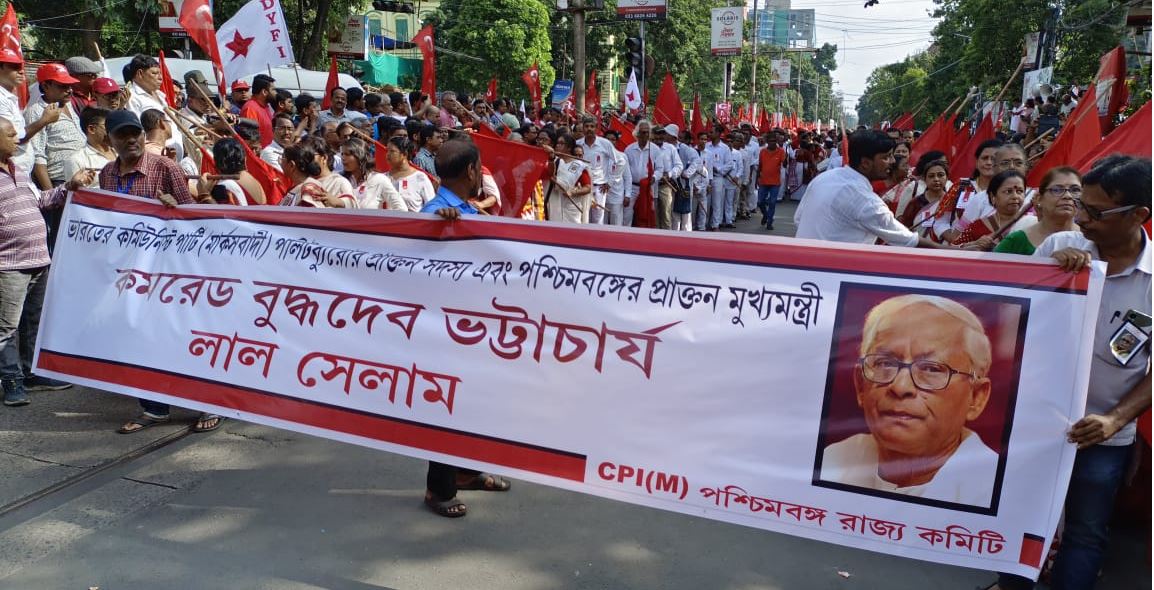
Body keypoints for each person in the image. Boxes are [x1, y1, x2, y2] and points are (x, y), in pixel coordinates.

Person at [987, 155, 1151, 590]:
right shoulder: (1057, 248)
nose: (1082, 218)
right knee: (1021, 523)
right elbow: (1006, 319)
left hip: (1105, 436)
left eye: (1095, 212)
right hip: (1036, 426)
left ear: (1139, 216)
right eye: (1081, 206)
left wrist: (1116, 419)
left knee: (1085, 533)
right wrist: (1052, 275)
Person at [97, 111, 222, 431]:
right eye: (122, 135)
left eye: (135, 133)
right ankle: (154, 407)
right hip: (129, 272)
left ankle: (206, 403)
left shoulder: (166, 168)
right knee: (138, 337)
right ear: (108, 140)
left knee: (181, 336)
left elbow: (192, 220)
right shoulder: (107, 174)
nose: (130, 140)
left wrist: (173, 210)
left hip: (168, 274)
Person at [820, 294, 998, 506]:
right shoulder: (831, 462)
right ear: (860, 386)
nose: (900, 387)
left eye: (931, 369)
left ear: (976, 397)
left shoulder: (999, 491)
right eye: (885, 363)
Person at [418, 139, 514, 517]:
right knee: (446, 405)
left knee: (469, 402)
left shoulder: (464, 209)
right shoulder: (436, 214)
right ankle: (437, 489)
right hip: (445, 330)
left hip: (472, 325)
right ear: (472, 171)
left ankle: (464, 470)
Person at [0, 117, 94, 406]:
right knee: (7, 327)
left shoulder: (19, 171)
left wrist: (70, 187)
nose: (18, 138)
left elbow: (41, 200)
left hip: (39, 259)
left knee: (33, 321)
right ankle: (11, 379)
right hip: (9, 264)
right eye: (11, 134)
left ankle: (30, 372)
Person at [796, 130, 948, 248]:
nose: (893, 161)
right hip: (834, 278)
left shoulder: (825, 178)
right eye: (886, 157)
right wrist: (956, 251)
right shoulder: (864, 199)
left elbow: (798, 219)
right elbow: (906, 239)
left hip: (804, 271)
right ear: (865, 163)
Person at [24, 64, 85, 191]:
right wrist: (51, 193)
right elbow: (37, 155)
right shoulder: (36, 111)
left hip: (82, 175)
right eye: (63, 86)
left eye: (70, 86)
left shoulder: (67, 105)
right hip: (60, 180)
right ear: (46, 86)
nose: (69, 90)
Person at [994, 167, 1080, 256]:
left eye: (1075, 190)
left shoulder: (1090, 239)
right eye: (1057, 190)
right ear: (1039, 199)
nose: (1068, 196)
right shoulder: (1016, 242)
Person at [952, 170, 1034, 250]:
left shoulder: (1032, 223)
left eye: (1020, 191)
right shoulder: (977, 227)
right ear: (993, 197)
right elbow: (951, 250)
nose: (1015, 196)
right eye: (1008, 191)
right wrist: (974, 244)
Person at [623, 120, 668, 228]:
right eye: (643, 132)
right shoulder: (629, 149)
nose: (645, 135)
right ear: (637, 133)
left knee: (647, 215)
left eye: (648, 132)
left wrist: (653, 178)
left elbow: (659, 169)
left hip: (649, 189)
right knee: (627, 216)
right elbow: (625, 170)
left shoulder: (655, 150)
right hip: (632, 188)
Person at [278, 141, 347, 208]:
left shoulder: (310, 190)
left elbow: (310, 216)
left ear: (291, 165)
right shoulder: (297, 187)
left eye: (283, 158)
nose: (280, 162)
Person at [198, 138, 266, 206]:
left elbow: (223, 215)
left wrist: (204, 194)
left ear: (217, 162)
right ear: (244, 160)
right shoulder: (252, 179)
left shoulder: (224, 186)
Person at [341, 136, 402, 209]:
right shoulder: (339, 179)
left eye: (347, 154)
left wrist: (383, 220)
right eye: (342, 154)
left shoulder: (379, 179)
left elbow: (401, 208)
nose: (343, 158)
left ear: (360, 156)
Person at [544, 134, 592, 224]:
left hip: (571, 206)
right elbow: (550, 175)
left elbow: (588, 187)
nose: (557, 145)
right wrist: (550, 158)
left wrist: (573, 192)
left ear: (569, 148)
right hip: (554, 203)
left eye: (561, 143)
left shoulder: (578, 165)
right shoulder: (554, 161)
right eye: (557, 143)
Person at [62, 107, 114, 188]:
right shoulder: (76, 160)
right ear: (92, 129)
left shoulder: (122, 153)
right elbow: (74, 195)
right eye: (107, 125)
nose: (113, 129)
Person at [578, 115, 615, 224]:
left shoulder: (605, 143)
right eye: (586, 126)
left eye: (592, 126)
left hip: (599, 187)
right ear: (583, 128)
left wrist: (610, 182)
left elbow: (618, 161)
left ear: (596, 128)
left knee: (598, 219)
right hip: (583, 187)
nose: (589, 129)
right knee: (583, 217)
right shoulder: (577, 144)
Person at [385, 136, 435, 212]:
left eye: (392, 151)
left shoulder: (420, 178)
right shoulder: (382, 178)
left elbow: (431, 207)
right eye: (387, 151)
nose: (387, 154)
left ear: (405, 154)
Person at [667, 125, 700, 232]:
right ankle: (674, 234)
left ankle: (686, 235)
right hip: (669, 183)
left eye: (666, 134)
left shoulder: (684, 148)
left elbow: (696, 160)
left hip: (683, 184)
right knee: (673, 211)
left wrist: (687, 173)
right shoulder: (664, 148)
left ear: (672, 136)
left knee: (685, 213)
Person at [702, 126, 733, 231]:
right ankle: (704, 223)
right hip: (706, 178)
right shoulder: (706, 146)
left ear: (719, 134)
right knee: (706, 201)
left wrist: (718, 169)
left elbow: (729, 164)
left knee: (717, 202)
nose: (709, 134)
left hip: (718, 178)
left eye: (712, 132)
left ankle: (715, 224)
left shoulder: (724, 148)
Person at [757, 133, 787, 230]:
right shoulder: (762, 152)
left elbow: (785, 164)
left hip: (775, 182)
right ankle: (765, 215)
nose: (772, 143)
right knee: (760, 202)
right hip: (763, 181)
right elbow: (760, 166)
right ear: (767, 142)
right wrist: (757, 178)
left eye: (774, 141)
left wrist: (786, 159)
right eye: (770, 141)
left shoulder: (781, 151)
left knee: (772, 202)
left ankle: (769, 222)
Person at [239, 74, 276, 148]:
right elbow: (250, 140)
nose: (276, 93)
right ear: (264, 92)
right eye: (273, 90)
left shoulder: (266, 107)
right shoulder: (250, 108)